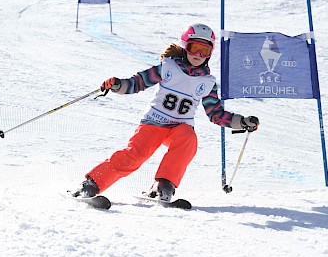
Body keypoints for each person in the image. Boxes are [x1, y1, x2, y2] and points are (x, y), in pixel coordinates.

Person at [76, 23, 259, 202]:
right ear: (185, 46)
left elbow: (216, 114)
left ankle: (163, 186)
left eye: (204, 51)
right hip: (154, 123)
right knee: (134, 157)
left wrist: (242, 122)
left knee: (189, 139)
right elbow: (137, 83)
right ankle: (91, 185)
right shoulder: (168, 67)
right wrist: (117, 84)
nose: (198, 55)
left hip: (179, 128)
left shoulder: (207, 82)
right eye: (194, 48)